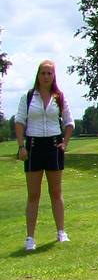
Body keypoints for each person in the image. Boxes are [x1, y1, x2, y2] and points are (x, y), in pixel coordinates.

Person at [14, 59, 74, 252]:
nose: (46, 76)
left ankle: (61, 232)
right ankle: (30, 238)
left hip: (53, 145)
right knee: (33, 194)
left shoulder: (59, 97)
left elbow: (69, 122)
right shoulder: (29, 96)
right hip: (33, 146)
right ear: (38, 75)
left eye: (50, 73)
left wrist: (64, 143)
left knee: (56, 192)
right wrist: (21, 146)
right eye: (43, 73)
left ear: (54, 76)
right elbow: (19, 122)